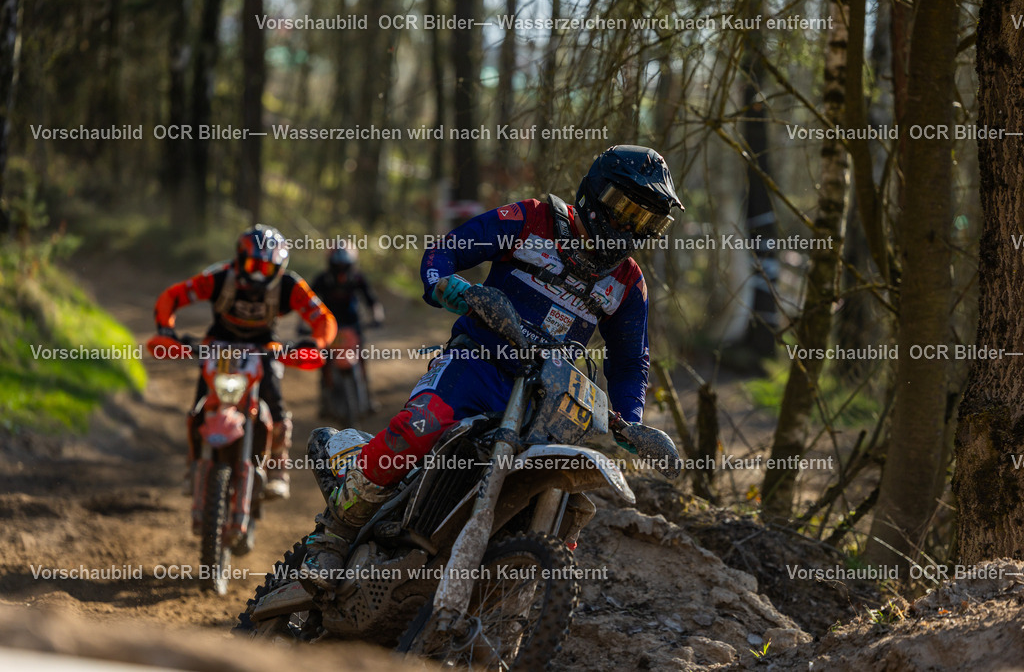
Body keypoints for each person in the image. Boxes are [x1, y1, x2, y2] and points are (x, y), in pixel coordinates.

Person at [299, 145, 684, 589]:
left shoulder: (628, 283)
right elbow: (444, 254)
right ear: (595, 193)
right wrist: (461, 292)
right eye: (625, 208)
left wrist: (630, 423)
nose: (631, 227)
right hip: (476, 363)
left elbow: (630, 362)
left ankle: (514, 605)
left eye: (647, 220)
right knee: (421, 426)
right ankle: (332, 536)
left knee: (565, 495)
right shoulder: (533, 219)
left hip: (548, 398)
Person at [154, 224, 337, 500]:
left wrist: (315, 342)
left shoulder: (290, 285)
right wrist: (166, 331)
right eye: (252, 264)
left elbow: (322, 318)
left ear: (279, 268)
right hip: (219, 346)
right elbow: (174, 296)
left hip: (264, 348)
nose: (256, 274)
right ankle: (194, 465)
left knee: (274, 399)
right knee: (201, 403)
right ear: (239, 259)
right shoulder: (219, 277)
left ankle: (277, 468)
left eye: (265, 268)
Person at [310, 243, 385, 416]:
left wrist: (377, 316)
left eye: (345, 266)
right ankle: (325, 399)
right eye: (338, 267)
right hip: (328, 329)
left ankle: (367, 395)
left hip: (353, 327)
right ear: (331, 265)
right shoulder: (322, 279)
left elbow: (371, 300)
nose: (342, 271)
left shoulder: (357, 278)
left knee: (361, 358)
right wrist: (303, 324)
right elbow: (309, 302)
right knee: (324, 362)